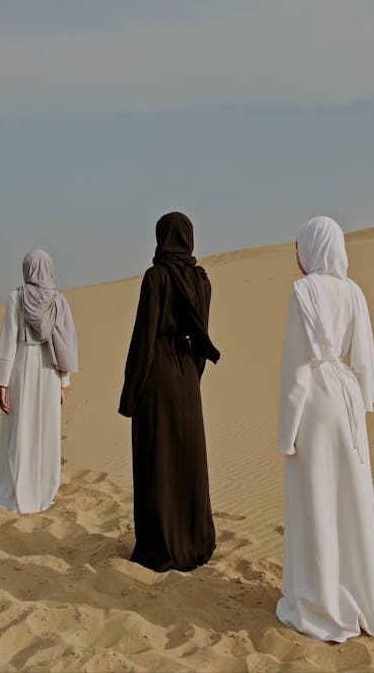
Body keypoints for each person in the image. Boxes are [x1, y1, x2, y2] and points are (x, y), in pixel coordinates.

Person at [276, 216, 374, 641]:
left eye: (299, 246)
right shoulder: (353, 292)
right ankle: (359, 592)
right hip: (347, 400)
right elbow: (364, 358)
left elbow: (296, 370)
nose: (296, 255)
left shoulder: (303, 292)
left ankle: (318, 601)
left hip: (315, 402)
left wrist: (286, 431)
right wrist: (360, 398)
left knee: (315, 497)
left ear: (312, 248)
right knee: (351, 498)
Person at [119, 211, 220, 572]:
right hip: (187, 373)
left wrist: (130, 394)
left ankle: (160, 544)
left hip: (156, 371)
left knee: (157, 456)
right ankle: (195, 542)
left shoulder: (156, 277)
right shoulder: (201, 279)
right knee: (187, 457)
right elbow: (203, 336)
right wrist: (192, 375)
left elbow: (143, 336)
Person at [0, 249, 78, 513]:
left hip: (21, 370)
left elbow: (8, 341)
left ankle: (16, 491)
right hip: (50, 371)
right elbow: (64, 343)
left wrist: (2, 382)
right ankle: (42, 491)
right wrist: (63, 382)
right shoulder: (58, 301)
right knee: (44, 429)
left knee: (20, 429)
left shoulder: (17, 297)